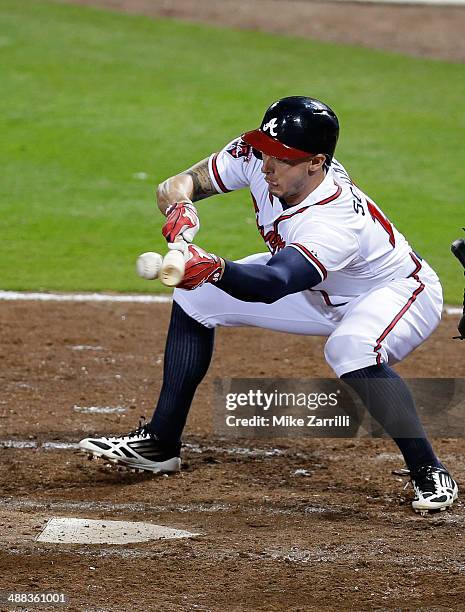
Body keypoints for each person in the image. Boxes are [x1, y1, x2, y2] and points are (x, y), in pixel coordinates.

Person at [80, 96, 458, 514]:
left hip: (396, 293)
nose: (265, 166)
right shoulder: (259, 155)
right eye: (264, 151)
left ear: (316, 163)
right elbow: (177, 182)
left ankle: (429, 470)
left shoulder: (332, 220)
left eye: (281, 159)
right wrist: (180, 207)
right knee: (194, 295)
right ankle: (160, 444)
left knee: (350, 348)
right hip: (318, 289)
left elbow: (273, 283)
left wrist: (215, 267)